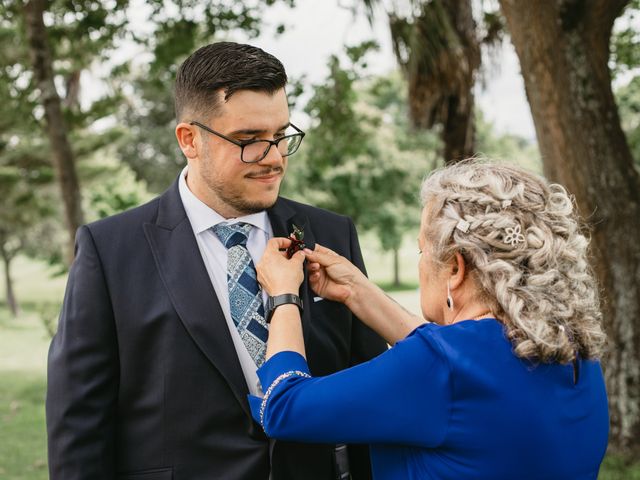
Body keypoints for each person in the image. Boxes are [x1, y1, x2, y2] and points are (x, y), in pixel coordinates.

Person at [46, 42, 387, 480]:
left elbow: (371, 390)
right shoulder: (109, 251)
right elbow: (79, 426)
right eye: (248, 141)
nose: (275, 158)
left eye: (281, 135)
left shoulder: (332, 234)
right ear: (189, 139)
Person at [251, 161, 609, 480]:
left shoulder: (441, 367)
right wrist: (356, 291)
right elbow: (461, 368)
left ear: (455, 267)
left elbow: (282, 407)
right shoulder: (574, 350)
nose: (421, 261)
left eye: (423, 249)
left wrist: (284, 295)